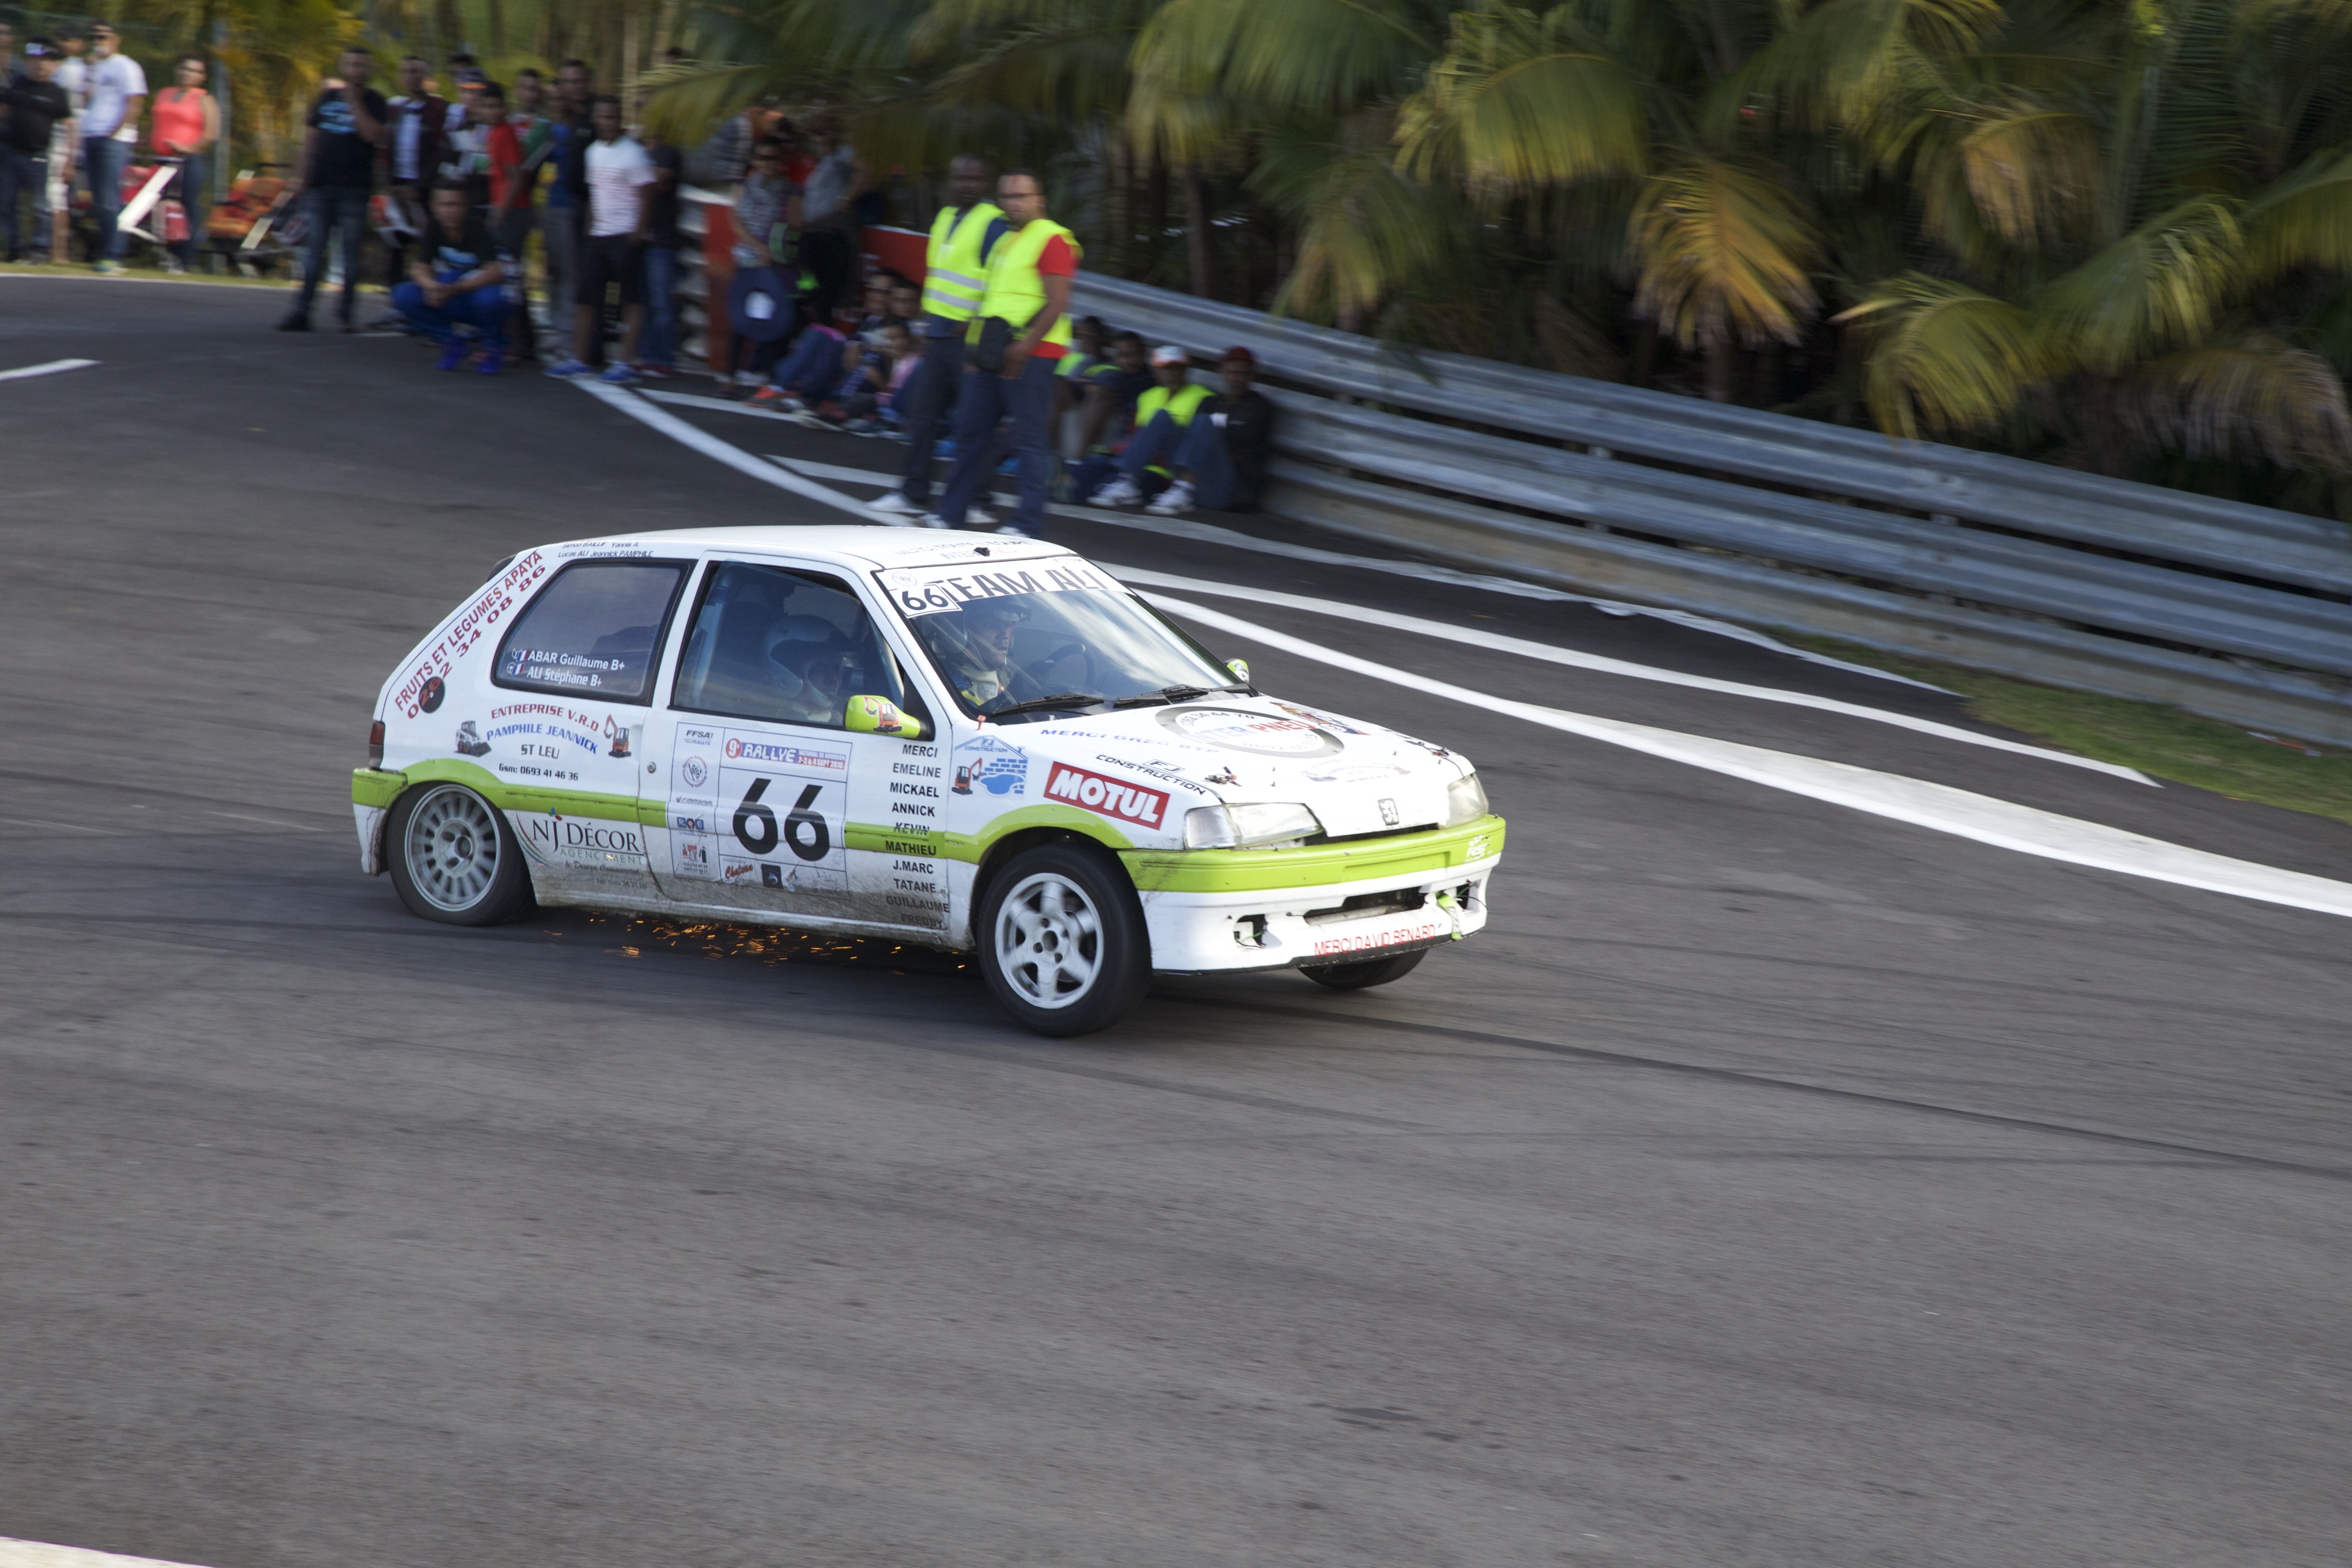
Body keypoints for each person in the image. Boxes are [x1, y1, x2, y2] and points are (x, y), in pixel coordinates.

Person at [930, 168, 1078, 536]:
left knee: (1029, 440)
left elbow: (1057, 302)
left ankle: (1027, 524)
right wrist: (974, 351)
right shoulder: (1007, 241)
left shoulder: (1052, 239)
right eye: (1007, 198)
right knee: (971, 432)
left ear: (1038, 200)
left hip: (1033, 353)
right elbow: (992, 299)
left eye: (1020, 197)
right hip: (993, 351)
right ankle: (950, 514)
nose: (1012, 204)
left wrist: (1025, 347)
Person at [867, 153, 1004, 519]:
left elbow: (1001, 280)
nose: (966, 185)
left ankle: (979, 499)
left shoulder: (993, 223)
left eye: (974, 179)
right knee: (921, 414)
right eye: (961, 178)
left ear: (986, 183)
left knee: (972, 423)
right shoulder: (945, 217)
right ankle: (914, 493)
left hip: (969, 338)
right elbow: (938, 277)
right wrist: (926, 327)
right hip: (939, 334)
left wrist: (975, 321)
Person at [544, 94, 655, 382]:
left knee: (630, 299)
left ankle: (626, 363)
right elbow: (594, 194)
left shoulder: (634, 153)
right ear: (595, 119)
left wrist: (637, 237)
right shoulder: (592, 151)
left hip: (625, 235)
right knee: (587, 298)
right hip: (599, 236)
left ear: (621, 119)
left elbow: (647, 197)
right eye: (604, 117)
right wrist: (591, 231)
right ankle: (578, 359)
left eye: (614, 117)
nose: (609, 123)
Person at [275, 46, 387, 331]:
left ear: (368, 69)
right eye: (351, 65)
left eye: (362, 65)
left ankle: (345, 314)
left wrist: (354, 103)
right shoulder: (326, 98)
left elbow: (372, 135)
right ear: (344, 67)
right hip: (320, 187)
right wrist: (299, 180)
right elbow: (310, 140)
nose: (356, 70)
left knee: (350, 253)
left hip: (354, 189)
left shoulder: (375, 101)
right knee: (313, 252)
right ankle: (302, 312)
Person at [1117, 345, 1276, 516]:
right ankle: (1128, 482)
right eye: (1232, 372)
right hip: (1197, 479)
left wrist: (1208, 436)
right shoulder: (1211, 402)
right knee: (1162, 417)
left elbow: (1237, 451)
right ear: (1222, 372)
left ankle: (1183, 489)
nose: (1236, 379)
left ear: (1252, 376)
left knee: (1204, 422)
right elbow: (1191, 440)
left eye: (1242, 374)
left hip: (1226, 490)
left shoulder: (1260, 408)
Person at [391, 178, 510, 372]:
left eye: (456, 205)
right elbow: (420, 267)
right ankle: (452, 343)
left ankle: (495, 349)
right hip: (452, 292)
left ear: (466, 206)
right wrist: (431, 287)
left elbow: (498, 272)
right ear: (434, 207)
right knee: (402, 295)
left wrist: (454, 289)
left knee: (490, 299)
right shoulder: (433, 228)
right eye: (445, 205)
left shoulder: (479, 228)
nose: (451, 210)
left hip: (477, 294)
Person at [1087, 345, 1211, 507]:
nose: (1172, 374)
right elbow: (1131, 436)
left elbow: (1200, 444)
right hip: (1139, 463)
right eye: (1166, 369)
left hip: (1169, 470)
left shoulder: (1204, 398)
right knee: (1091, 467)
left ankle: (1127, 484)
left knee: (1109, 480)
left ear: (1186, 371)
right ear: (1155, 371)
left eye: (1177, 369)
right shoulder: (1146, 397)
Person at [723, 135, 800, 391]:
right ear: (754, 160)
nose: (768, 163)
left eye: (774, 158)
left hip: (779, 263)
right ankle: (730, 376)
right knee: (740, 316)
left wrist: (775, 251)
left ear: (782, 161)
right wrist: (758, 248)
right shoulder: (745, 186)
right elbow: (736, 221)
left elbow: (796, 226)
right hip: (747, 260)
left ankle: (766, 377)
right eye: (763, 157)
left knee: (773, 318)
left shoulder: (792, 191)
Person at [79, 21, 145, 274]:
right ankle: (103, 251)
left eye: (103, 36)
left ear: (116, 39)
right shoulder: (95, 67)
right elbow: (85, 99)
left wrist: (114, 133)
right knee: (98, 199)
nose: (99, 41)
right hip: (92, 134)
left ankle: (114, 255)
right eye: (95, 36)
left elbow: (135, 104)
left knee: (109, 199)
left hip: (114, 140)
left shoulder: (127, 67)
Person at [534, 59, 593, 341]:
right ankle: (556, 328)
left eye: (576, 82)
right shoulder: (550, 130)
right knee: (555, 270)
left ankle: (570, 337)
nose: (568, 93)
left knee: (572, 272)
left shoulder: (592, 119)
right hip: (553, 206)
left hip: (577, 208)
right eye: (559, 92)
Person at [0, 41, 70, 263]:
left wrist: (69, 158)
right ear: (29, 61)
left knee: (41, 205)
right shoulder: (17, 84)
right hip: (12, 153)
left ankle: (39, 249)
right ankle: (15, 249)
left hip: (39, 156)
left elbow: (70, 126)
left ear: (54, 65)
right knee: (8, 203)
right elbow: (4, 112)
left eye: (47, 61)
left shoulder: (56, 92)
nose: (41, 65)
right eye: (36, 60)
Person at [147, 54, 217, 273]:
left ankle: (185, 259)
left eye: (194, 71)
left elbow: (212, 134)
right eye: (185, 69)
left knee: (187, 209)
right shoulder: (165, 94)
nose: (187, 73)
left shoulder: (204, 99)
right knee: (158, 207)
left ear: (202, 77)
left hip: (187, 160)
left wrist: (188, 148)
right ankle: (163, 253)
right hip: (162, 159)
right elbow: (159, 123)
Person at [796, 119, 867, 323]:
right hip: (813, 234)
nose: (821, 139)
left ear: (836, 135)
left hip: (829, 235)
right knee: (809, 292)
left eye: (826, 133)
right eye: (817, 135)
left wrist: (846, 198)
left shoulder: (842, 153)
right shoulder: (822, 161)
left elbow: (866, 171)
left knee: (824, 297)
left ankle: (823, 339)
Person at [635, 121, 683, 376]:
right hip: (641, 238)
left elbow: (660, 179)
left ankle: (663, 358)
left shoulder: (669, 152)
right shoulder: (639, 151)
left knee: (662, 302)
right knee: (644, 302)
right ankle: (646, 355)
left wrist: (642, 180)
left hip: (662, 240)